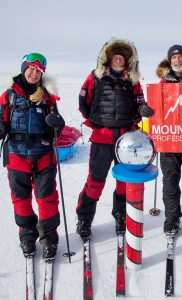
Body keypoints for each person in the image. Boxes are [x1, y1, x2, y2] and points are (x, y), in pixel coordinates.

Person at [76, 38, 145, 240]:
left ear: (127, 61)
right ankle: (84, 219)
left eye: (122, 57)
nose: (118, 60)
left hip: (126, 140)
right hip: (102, 138)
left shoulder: (132, 80)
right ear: (107, 58)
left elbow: (139, 102)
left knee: (123, 182)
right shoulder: (94, 78)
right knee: (95, 181)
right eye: (115, 56)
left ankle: (121, 216)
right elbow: (83, 103)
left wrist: (142, 110)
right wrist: (95, 121)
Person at [0, 53, 65, 261]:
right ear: (23, 68)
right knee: (21, 200)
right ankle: (27, 235)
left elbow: (58, 127)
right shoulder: (8, 95)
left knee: (47, 199)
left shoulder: (48, 96)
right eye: (31, 68)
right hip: (17, 156)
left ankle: (49, 238)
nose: (34, 73)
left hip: (44, 156)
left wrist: (58, 124)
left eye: (39, 70)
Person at [140, 45, 182, 236]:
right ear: (169, 62)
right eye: (174, 58)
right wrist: (146, 109)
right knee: (170, 182)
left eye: (180, 57)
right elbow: (156, 108)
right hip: (169, 142)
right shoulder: (162, 83)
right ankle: (172, 218)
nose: (177, 61)